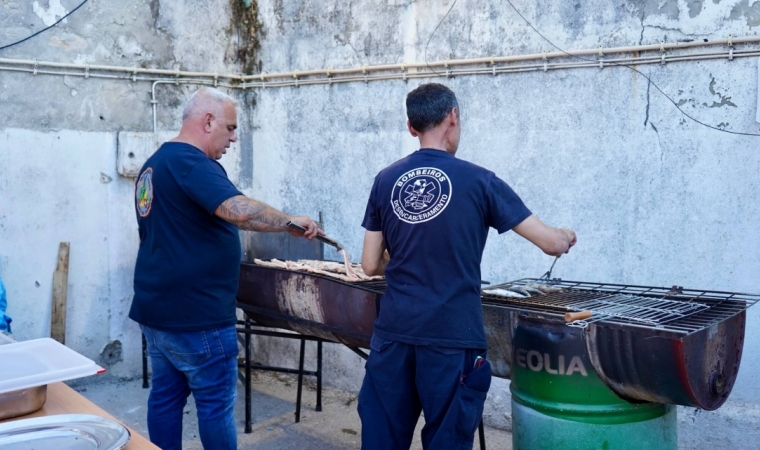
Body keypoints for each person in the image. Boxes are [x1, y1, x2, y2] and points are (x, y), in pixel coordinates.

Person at [358, 83, 576, 449]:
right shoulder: (480, 180)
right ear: (452, 117)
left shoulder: (385, 179)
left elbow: (368, 265)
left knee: (381, 441)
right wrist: (565, 235)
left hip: (393, 336)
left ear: (412, 127)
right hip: (452, 338)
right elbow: (549, 242)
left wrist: (404, 256)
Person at [129, 87, 322, 450]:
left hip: (157, 311)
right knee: (215, 406)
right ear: (207, 121)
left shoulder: (153, 165)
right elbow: (239, 210)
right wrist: (290, 222)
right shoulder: (190, 162)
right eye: (230, 128)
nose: (233, 138)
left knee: (165, 398)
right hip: (196, 316)